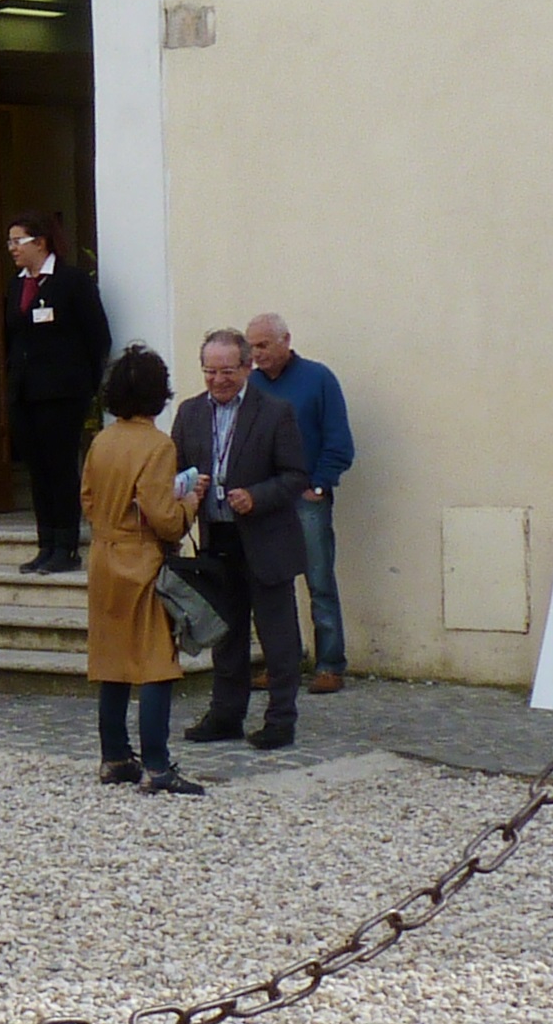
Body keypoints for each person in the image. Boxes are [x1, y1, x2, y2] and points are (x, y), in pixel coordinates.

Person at [171, 328, 313, 752]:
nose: (218, 380)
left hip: (266, 538)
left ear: (247, 367)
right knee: (226, 634)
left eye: (227, 371)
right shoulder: (190, 413)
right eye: (210, 371)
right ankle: (226, 714)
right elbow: (175, 470)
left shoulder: (275, 412)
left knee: (277, 635)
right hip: (218, 538)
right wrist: (187, 490)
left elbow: (295, 476)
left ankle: (280, 719)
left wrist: (257, 496)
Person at [82, 344, 204, 794]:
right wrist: (188, 503)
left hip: (104, 552)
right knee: (156, 662)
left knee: (111, 659)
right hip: (141, 555)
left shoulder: (102, 440)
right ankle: (157, 763)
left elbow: (89, 499)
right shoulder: (157, 445)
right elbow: (165, 518)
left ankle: (114, 756)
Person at [243, 312, 356, 693]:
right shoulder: (251, 386)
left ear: (285, 340)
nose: (257, 354)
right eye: (252, 347)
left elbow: (338, 439)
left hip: (307, 496)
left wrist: (320, 485)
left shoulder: (318, 379)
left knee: (319, 579)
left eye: (263, 345)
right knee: (274, 585)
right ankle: (282, 664)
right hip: (266, 498)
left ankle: (330, 663)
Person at [6, 214, 114, 573]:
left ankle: (66, 545)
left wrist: (85, 384)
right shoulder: (16, 285)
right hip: (26, 393)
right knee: (37, 469)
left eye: (18, 241)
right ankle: (46, 542)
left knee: (60, 468)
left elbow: (97, 336)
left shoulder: (71, 282)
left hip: (62, 393)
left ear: (41, 242)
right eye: (10, 242)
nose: (12, 249)